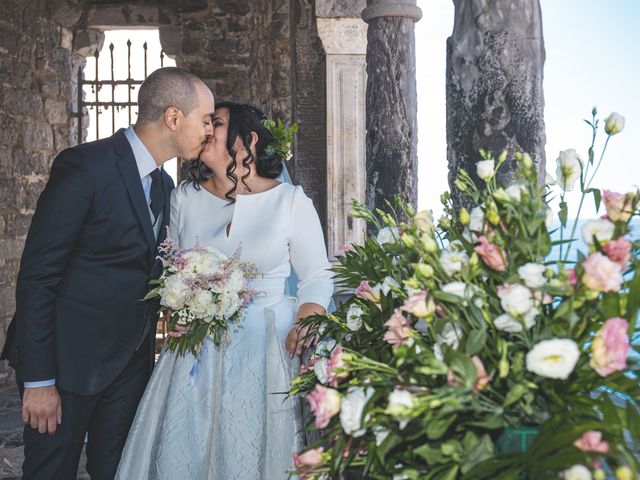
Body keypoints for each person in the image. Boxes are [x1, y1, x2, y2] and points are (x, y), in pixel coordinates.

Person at [0, 67, 216, 479]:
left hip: (130, 366)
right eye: (205, 119)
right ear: (173, 118)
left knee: (119, 472)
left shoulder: (166, 187)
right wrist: (39, 380)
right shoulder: (85, 167)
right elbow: (38, 277)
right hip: (66, 367)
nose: (209, 130)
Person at [115, 102, 334, 479]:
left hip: (267, 344)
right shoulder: (184, 198)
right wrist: (178, 313)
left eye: (215, 123)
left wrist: (306, 321)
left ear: (248, 139)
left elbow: (316, 275)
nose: (206, 131)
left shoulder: (290, 201)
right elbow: (173, 270)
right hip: (200, 347)